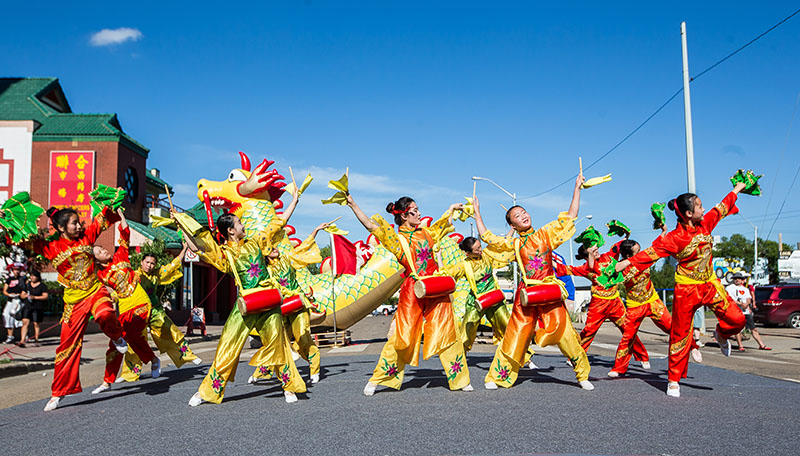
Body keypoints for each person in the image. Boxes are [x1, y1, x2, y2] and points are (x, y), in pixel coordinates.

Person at [176, 168, 306, 405]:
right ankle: (207, 391)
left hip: (268, 300)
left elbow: (278, 223)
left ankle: (289, 387)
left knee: (278, 343)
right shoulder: (224, 252)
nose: (242, 224)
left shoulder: (256, 242)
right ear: (230, 231)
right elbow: (197, 248)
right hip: (246, 304)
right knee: (227, 346)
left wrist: (295, 201)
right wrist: (181, 224)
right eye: (238, 223)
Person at [613, 182, 749, 397]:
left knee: (738, 320)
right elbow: (650, 253)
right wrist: (624, 264)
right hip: (686, 289)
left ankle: (721, 335)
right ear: (688, 213)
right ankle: (673, 379)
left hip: (710, 284)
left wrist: (737, 189)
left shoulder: (706, 224)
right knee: (680, 334)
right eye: (699, 206)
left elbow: (722, 207)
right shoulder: (675, 238)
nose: (703, 209)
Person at [345, 192, 473, 395]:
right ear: (404, 216)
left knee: (447, 331)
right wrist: (352, 204)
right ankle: (380, 377)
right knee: (401, 336)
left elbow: (442, 225)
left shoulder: (427, 233)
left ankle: (460, 379)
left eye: (418, 210)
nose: (419, 213)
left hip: (435, 287)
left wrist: (451, 209)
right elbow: (371, 225)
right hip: (413, 289)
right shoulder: (396, 240)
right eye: (415, 211)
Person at [474, 174, 593, 391]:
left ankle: (582, 374)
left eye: (524, 212)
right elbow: (487, 237)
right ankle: (498, 375)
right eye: (517, 216)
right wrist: (477, 213)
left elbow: (570, 216)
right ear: (513, 225)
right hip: (526, 293)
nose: (523, 216)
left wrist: (577, 188)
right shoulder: (514, 244)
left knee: (564, 332)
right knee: (515, 334)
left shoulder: (545, 234)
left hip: (548, 289)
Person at [24, 204, 127, 411]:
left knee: (105, 314)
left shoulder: (87, 234)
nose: (80, 226)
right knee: (66, 347)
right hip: (73, 302)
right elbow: (21, 239)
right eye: (74, 223)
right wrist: (5, 220)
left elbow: (106, 216)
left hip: (95, 290)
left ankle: (117, 337)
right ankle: (58, 392)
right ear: (61, 228)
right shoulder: (50, 246)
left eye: (79, 222)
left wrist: (112, 201)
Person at [249, 222, 330, 384]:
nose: (276, 249)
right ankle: (261, 372)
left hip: (297, 304)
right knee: (274, 340)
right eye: (271, 248)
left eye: (275, 246)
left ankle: (314, 369)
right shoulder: (264, 271)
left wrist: (315, 230)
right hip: (280, 307)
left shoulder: (287, 259)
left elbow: (303, 248)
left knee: (302, 336)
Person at [91, 209, 161, 394]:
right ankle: (107, 381)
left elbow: (125, 232)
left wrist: (121, 215)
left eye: (103, 248)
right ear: (95, 260)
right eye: (99, 251)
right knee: (115, 342)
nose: (104, 250)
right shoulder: (99, 274)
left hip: (140, 302)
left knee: (129, 335)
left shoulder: (120, 255)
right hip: (124, 308)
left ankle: (152, 360)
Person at [117, 246, 201, 383]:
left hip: (154, 309)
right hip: (138, 312)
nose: (149, 266)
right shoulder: (135, 275)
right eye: (147, 262)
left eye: (152, 263)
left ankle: (187, 355)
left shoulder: (157, 274)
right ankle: (130, 373)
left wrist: (184, 249)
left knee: (170, 328)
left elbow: (173, 265)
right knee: (134, 340)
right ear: (141, 262)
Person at [569, 243, 650, 368]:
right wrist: (550, 263)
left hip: (615, 303)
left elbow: (618, 247)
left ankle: (643, 357)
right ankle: (576, 356)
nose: (596, 251)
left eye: (596, 249)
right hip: (598, 305)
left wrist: (625, 237)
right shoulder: (585, 268)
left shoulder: (608, 257)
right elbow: (566, 269)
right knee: (588, 331)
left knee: (628, 329)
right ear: (587, 256)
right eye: (592, 250)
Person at [607, 238, 674, 376]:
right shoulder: (620, 268)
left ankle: (692, 346)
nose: (641, 252)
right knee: (628, 337)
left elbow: (659, 248)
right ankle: (618, 368)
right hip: (635, 305)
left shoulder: (645, 258)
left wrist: (663, 233)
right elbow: (607, 275)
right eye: (637, 251)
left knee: (672, 328)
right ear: (627, 255)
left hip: (652, 301)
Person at [727, 272, 771, 351]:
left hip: (746, 312)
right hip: (736, 311)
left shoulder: (745, 289)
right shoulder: (730, 288)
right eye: (735, 278)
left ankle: (762, 345)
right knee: (738, 329)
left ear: (742, 280)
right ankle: (740, 346)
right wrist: (740, 303)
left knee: (753, 329)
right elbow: (729, 299)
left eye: (739, 278)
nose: (737, 280)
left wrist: (746, 304)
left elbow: (748, 299)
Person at [19, 269, 48, 347]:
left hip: (37, 306)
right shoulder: (27, 285)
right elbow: (22, 294)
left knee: (36, 323)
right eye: (31, 276)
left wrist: (35, 297)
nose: (32, 278)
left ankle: (36, 339)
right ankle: (22, 340)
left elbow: (45, 296)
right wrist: (25, 296)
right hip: (27, 306)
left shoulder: (42, 286)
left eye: (34, 276)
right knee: (25, 322)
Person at [3, 263, 26, 344]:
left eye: (18, 270)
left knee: (17, 317)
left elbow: (24, 289)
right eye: (15, 270)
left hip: (18, 300)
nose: (16, 271)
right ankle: (10, 336)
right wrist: (9, 294)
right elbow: (4, 290)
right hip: (10, 300)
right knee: (6, 315)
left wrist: (20, 295)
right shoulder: (9, 279)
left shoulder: (22, 279)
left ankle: (24, 335)